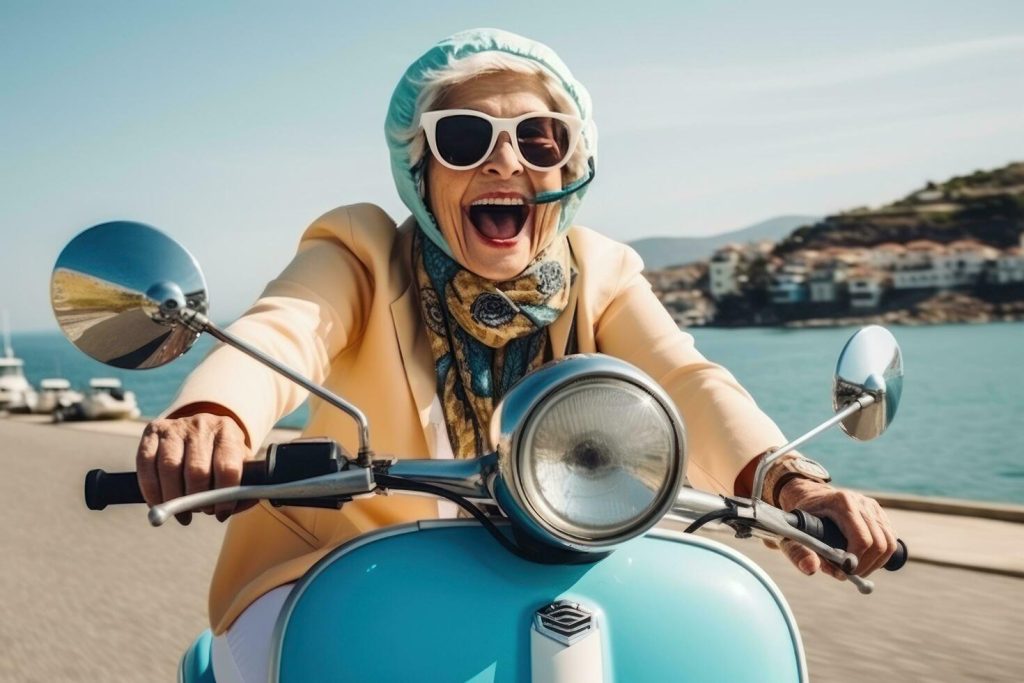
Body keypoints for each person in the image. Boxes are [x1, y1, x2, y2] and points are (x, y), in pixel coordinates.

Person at [137, 28, 898, 682]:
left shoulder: (602, 271)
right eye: (465, 138)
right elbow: (286, 326)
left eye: (539, 139)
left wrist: (788, 479)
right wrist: (216, 413)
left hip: (564, 561)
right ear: (421, 169)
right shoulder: (362, 252)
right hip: (344, 563)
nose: (506, 162)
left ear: (569, 170)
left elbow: (684, 378)